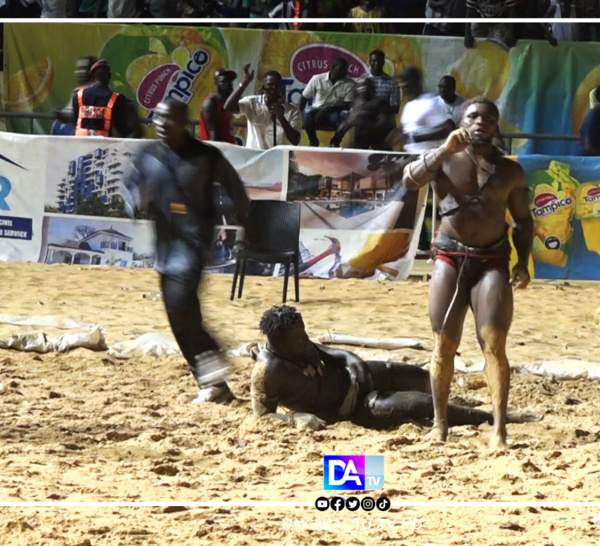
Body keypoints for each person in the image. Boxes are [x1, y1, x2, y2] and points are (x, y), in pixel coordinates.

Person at [402, 97, 534, 450]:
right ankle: (440, 424)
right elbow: (410, 180)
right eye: (473, 116)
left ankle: (499, 430)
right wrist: (445, 148)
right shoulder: (444, 160)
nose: (481, 122)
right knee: (444, 344)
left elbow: (522, 222)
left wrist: (523, 261)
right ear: (461, 120)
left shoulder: (510, 171)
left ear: (496, 125)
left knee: (494, 344)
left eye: (489, 118)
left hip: (492, 261)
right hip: (449, 259)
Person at [123, 98, 251, 404]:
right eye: (158, 119)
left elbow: (236, 190)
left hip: (194, 244)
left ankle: (214, 361)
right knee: (180, 317)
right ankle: (214, 384)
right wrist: (137, 204)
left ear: (184, 121)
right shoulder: (148, 154)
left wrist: (244, 221)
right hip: (164, 248)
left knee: (182, 307)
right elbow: (129, 191)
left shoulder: (205, 156)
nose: (162, 125)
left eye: (170, 120)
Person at [250, 305, 540, 431]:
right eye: (299, 339)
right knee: (423, 404)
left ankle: (460, 403)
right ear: (280, 343)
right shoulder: (268, 372)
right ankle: (496, 418)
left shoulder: (298, 341)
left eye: (304, 334)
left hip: (360, 376)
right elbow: (261, 418)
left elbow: (333, 352)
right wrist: (295, 419)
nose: (305, 341)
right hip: (356, 405)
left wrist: (354, 362)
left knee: (419, 376)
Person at [224, 65, 301, 150]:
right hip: (255, 157)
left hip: (279, 159)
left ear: (281, 87)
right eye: (270, 85)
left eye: (277, 85)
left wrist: (281, 118)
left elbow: (295, 141)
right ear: (263, 87)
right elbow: (228, 107)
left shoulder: (292, 110)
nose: (274, 88)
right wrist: (244, 83)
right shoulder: (252, 103)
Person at [298, 58, 356, 147]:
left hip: (335, 113)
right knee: (307, 112)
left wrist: (328, 109)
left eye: (345, 69)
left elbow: (348, 104)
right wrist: (299, 118)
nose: (345, 72)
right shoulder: (317, 79)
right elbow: (303, 98)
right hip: (316, 111)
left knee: (346, 115)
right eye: (341, 69)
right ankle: (313, 141)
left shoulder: (350, 83)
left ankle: (335, 141)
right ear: (332, 68)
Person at [398, 67, 453, 153]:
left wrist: (414, 138)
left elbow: (446, 130)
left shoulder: (431, 102)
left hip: (428, 158)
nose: (402, 88)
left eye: (404, 85)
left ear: (413, 83)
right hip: (411, 158)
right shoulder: (408, 106)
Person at [71, 59, 129, 138]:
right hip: (102, 145)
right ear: (109, 76)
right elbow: (121, 127)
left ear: (92, 76)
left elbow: (75, 120)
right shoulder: (116, 98)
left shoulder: (78, 95)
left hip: (80, 143)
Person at [53, 56, 97, 136]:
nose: (80, 72)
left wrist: (69, 118)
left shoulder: (97, 91)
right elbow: (69, 111)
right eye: (79, 69)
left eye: (84, 68)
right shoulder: (77, 90)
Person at [199, 68, 239, 144]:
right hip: (215, 149)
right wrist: (217, 152)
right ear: (216, 82)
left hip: (229, 147)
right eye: (223, 82)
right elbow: (212, 131)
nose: (228, 84)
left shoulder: (226, 102)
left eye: (230, 82)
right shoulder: (210, 103)